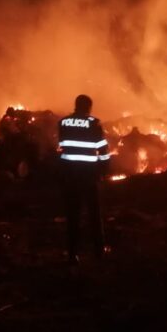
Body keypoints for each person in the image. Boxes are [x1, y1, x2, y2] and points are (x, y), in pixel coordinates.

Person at [58, 94, 110, 263]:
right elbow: (102, 148)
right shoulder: (94, 123)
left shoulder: (63, 122)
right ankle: (99, 251)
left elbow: (62, 145)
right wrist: (104, 169)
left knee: (73, 214)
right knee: (94, 213)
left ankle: (73, 253)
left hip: (69, 173)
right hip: (88, 174)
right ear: (88, 107)